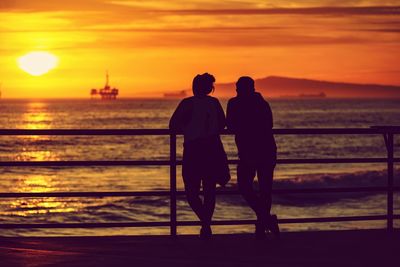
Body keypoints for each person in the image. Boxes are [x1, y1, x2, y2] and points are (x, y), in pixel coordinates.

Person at [169, 73, 229, 239]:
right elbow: (223, 124)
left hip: (193, 150)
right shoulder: (215, 103)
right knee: (209, 190)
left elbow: (172, 126)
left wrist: (188, 128)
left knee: (191, 192)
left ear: (195, 87)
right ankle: (206, 225)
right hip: (212, 148)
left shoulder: (187, 104)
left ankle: (205, 224)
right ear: (210, 88)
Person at [226, 76, 279, 239]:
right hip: (267, 149)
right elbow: (269, 124)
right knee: (265, 190)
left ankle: (264, 222)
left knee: (244, 186)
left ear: (243, 88)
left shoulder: (234, 103)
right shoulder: (262, 103)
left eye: (238, 87)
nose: (236, 90)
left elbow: (230, 125)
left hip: (249, 151)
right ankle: (265, 221)